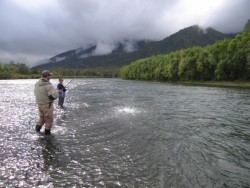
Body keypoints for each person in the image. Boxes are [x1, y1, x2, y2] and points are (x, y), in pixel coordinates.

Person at [34, 70, 58, 135]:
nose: (50, 76)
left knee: (41, 119)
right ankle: (47, 137)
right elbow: (53, 96)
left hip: (39, 104)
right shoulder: (48, 85)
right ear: (47, 76)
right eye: (50, 75)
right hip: (47, 105)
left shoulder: (37, 83)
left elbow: (36, 93)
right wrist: (57, 93)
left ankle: (36, 132)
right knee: (49, 120)